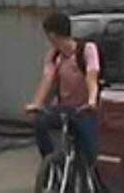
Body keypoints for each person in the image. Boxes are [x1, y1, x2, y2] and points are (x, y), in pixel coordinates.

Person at [24, 12, 101, 165]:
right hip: (64, 109)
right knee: (42, 123)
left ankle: (95, 183)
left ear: (52, 35)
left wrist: (92, 101)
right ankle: (52, 164)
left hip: (84, 110)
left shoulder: (86, 50)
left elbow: (92, 77)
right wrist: (37, 105)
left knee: (91, 154)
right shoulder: (53, 56)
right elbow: (48, 80)